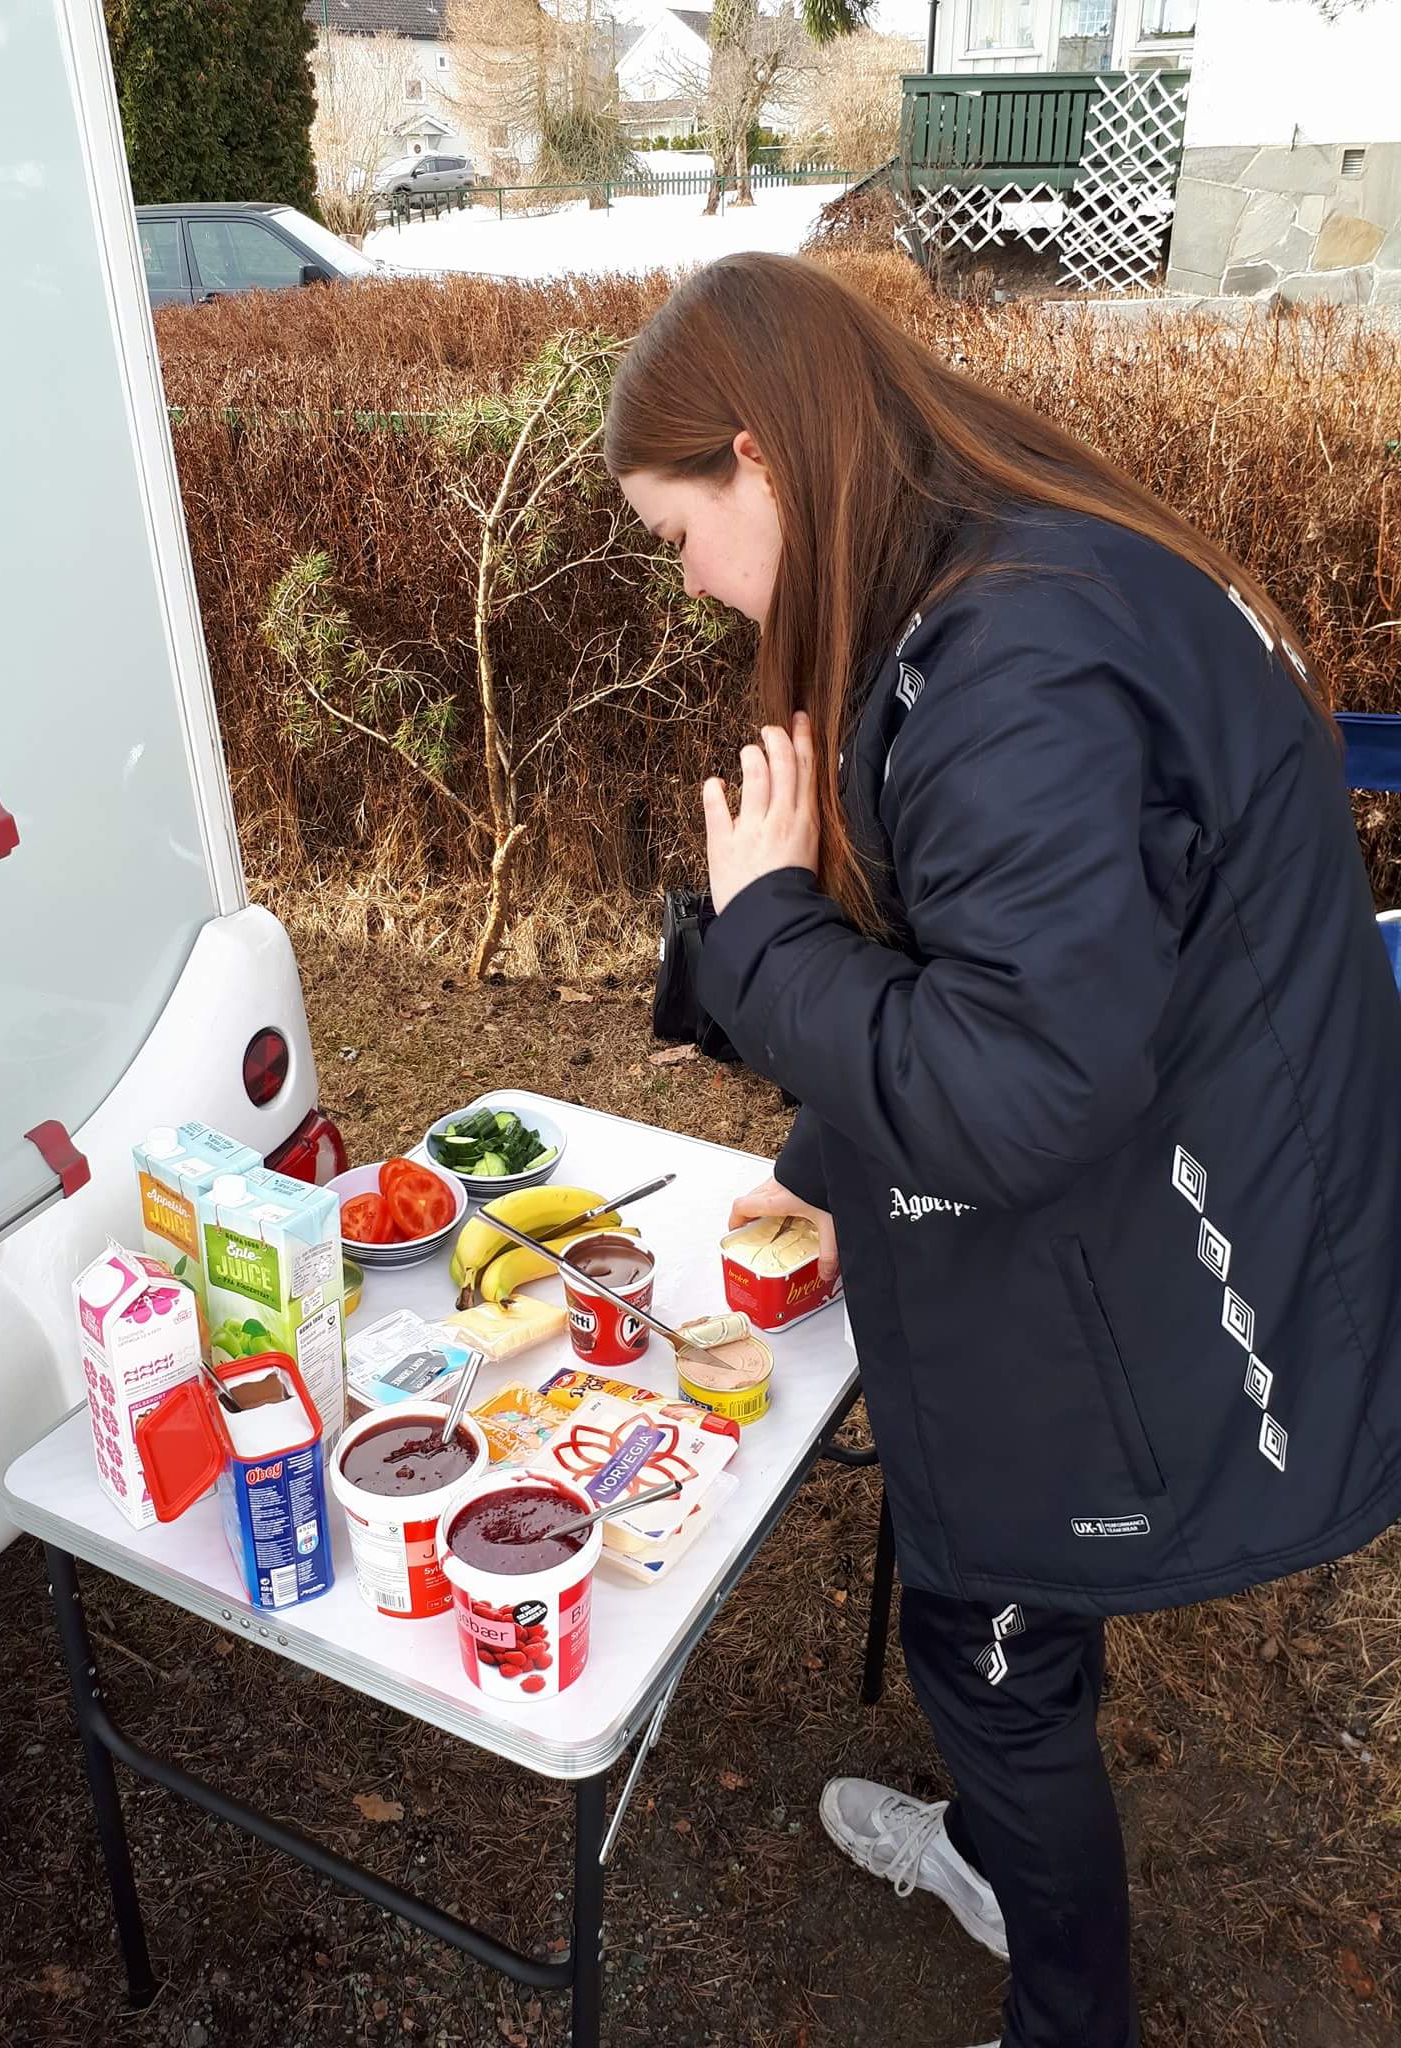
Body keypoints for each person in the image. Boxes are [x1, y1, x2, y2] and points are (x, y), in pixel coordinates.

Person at [605, 251, 1401, 2048]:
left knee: (995, 1656)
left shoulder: (1006, 657)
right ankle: (1001, 1860)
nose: (695, 586)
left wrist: (772, 934)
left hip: (1164, 1264)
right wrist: (792, 1082)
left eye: (681, 533)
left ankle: (1066, 2010)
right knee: (1008, 1626)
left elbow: (1030, 1079)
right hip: (1194, 1189)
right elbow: (1050, 964)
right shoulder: (1014, 569)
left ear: (762, 460)